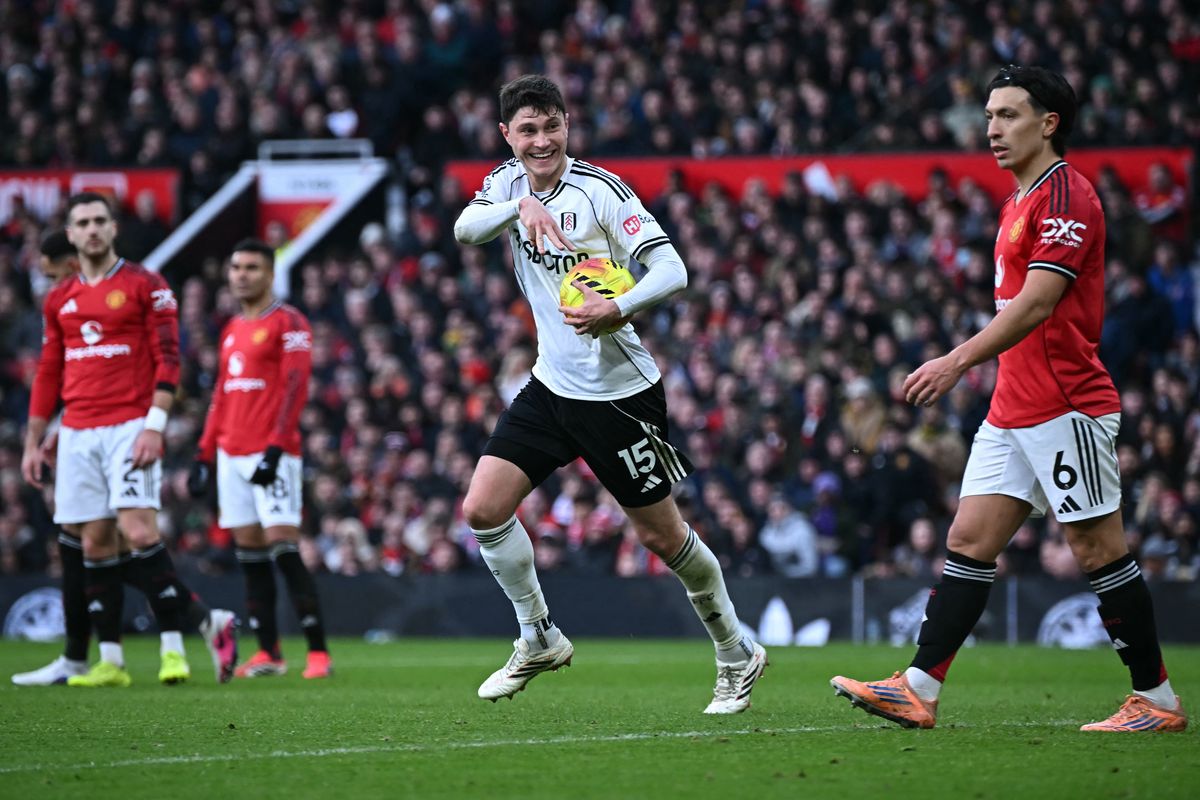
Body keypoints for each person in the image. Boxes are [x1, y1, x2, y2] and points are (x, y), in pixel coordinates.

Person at [831, 66, 1187, 733]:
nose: (992, 129)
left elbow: (1040, 302)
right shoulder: (1019, 199)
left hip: (1064, 404)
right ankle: (917, 688)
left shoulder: (1067, 197)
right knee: (968, 538)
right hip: (1013, 407)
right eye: (989, 115)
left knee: (1097, 549)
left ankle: (1158, 700)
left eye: (1009, 115)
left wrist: (957, 359)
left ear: (1048, 123)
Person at [453, 75, 766, 714]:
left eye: (551, 127)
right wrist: (520, 208)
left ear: (567, 124)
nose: (541, 141)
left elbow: (673, 269)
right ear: (506, 136)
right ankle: (538, 635)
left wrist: (615, 308)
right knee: (483, 509)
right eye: (528, 130)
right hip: (550, 387)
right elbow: (465, 228)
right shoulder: (506, 187)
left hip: (621, 394)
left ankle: (736, 651)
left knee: (662, 537)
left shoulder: (600, 193)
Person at [21, 194, 235, 688]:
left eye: (100, 220)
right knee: (92, 540)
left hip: (128, 425)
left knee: (139, 533)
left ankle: (175, 647)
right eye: (82, 223)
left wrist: (153, 428)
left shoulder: (146, 285)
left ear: (113, 228)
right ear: (71, 235)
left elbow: (169, 359)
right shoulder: (58, 299)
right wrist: (38, 440)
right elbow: (50, 371)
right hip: (76, 429)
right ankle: (112, 662)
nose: (92, 229)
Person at [188, 239, 332, 679]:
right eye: (235, 267)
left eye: (251, 267)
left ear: (269, 274)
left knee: (284, 546)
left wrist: (276, 445)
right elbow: (220, 395)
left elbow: (295, 386)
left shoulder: (289, 322)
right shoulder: (230, 328)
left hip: (273, 452)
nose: (241, 275)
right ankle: (269, 651)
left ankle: (318, 653)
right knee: (249, 553)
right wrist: (203, 452)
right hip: (231, 452)